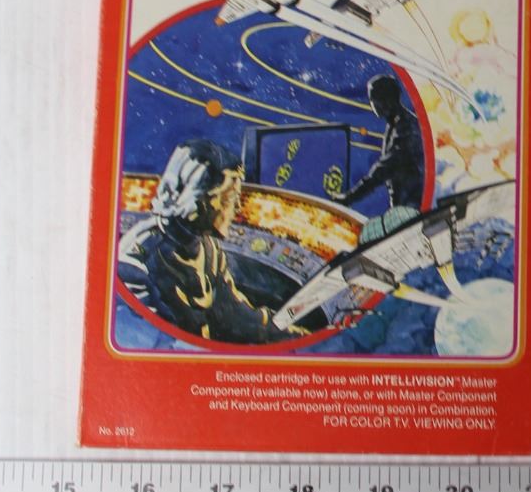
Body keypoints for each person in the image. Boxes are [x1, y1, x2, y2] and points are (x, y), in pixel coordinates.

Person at [118, 138, 297, 343]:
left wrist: (288, 331)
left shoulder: (209, 250)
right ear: (196, 197)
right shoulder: (136, 265)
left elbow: (237, 315)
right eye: (229, 198)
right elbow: (157, 344)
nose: (238, 208)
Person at [336, 74, 427, 243]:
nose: (372, 104)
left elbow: (384, 168)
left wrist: (350, 197)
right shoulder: (394, 125)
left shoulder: (406, 127)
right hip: (403, 207)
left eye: (374, 99)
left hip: (413, 207)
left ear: (387, 99)